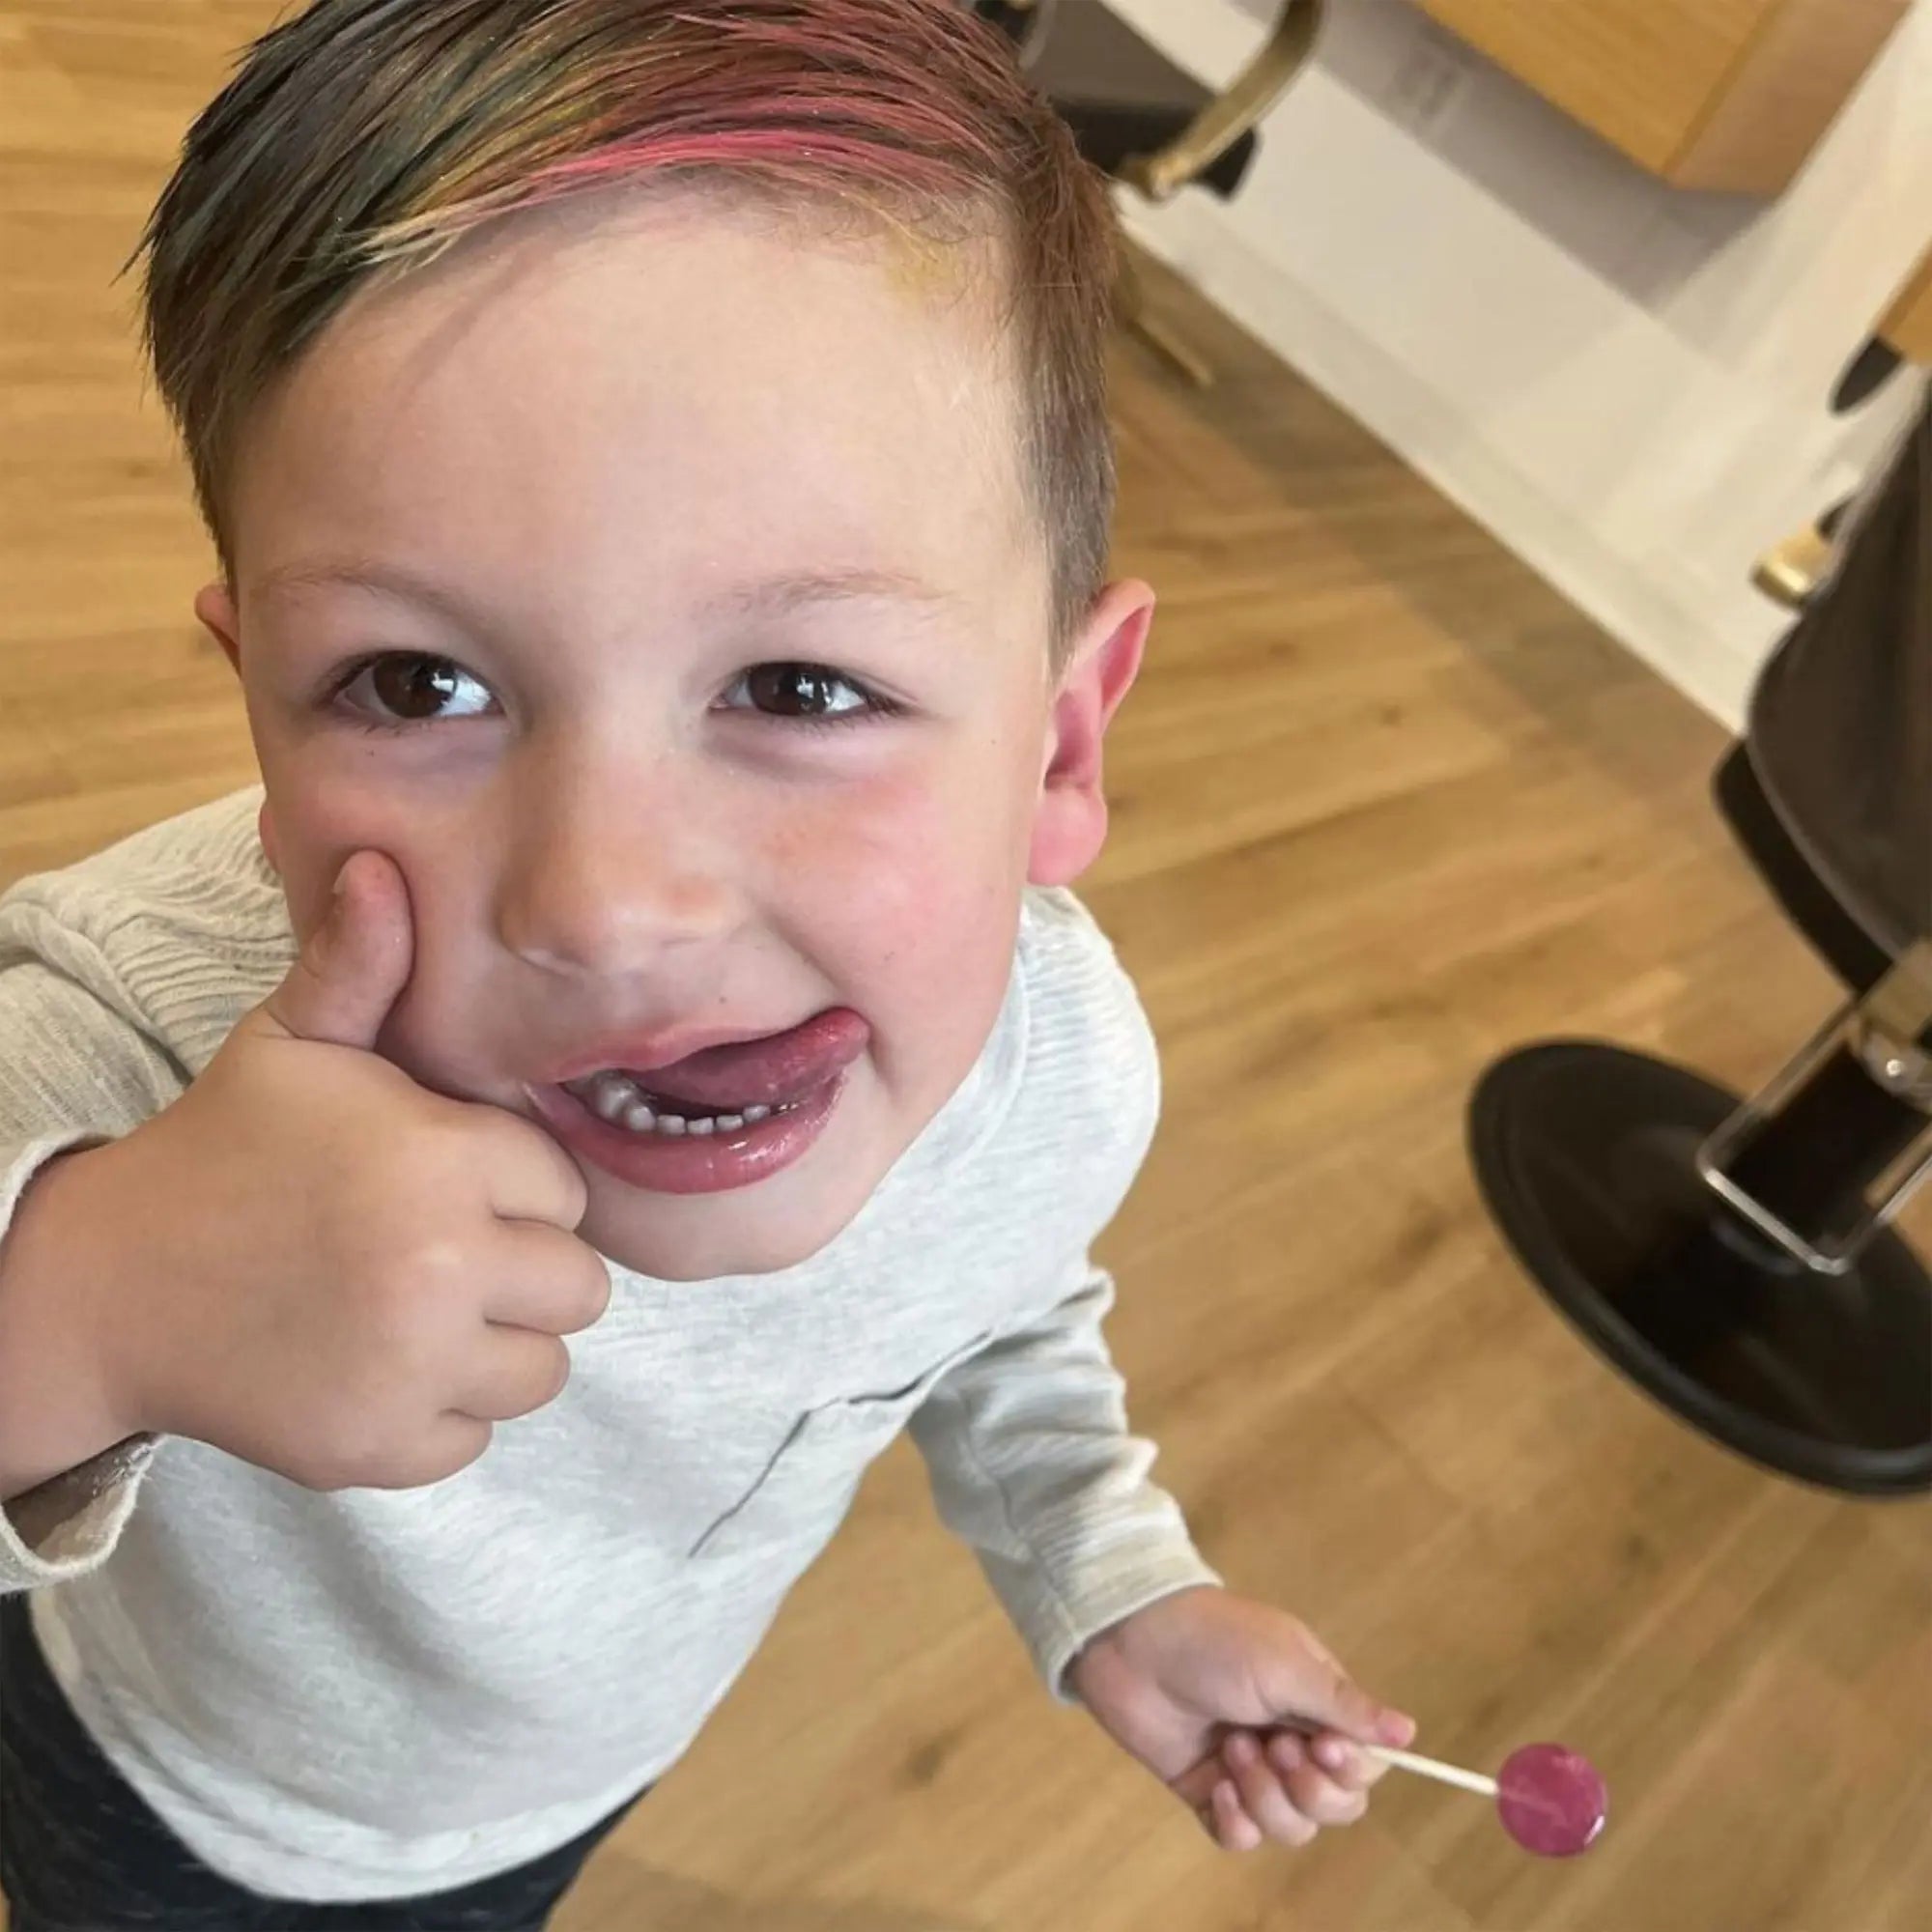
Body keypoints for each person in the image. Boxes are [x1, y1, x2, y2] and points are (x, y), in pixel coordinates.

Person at [0, 3, 1414, 1924]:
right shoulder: (133, 1028)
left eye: (800, 686)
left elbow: (997, 1309)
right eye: (418, 684)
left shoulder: (1056, 1068)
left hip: (574, 1778)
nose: (601, 902)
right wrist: (94, 1297)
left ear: (1063, 746)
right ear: (254, 693)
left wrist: (1114, 1577)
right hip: (174, 1794)